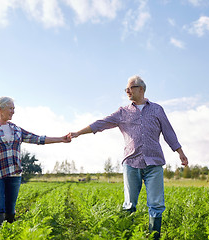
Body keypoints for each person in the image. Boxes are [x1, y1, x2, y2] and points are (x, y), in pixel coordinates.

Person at [69, 76, 188, 239]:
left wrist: (180, 153)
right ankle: (126, 235)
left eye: (130, 88)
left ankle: (154, 236)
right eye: (126, 89)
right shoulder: (122, 112)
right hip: (132, 163)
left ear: (141, 89)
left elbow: (169, 132)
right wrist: (78, 132)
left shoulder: (157, 109)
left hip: (154, 163)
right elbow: (101, 123)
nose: (127, 91)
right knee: (130, 204)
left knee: (156, 203)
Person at [0, 96, 71, 231]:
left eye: (14, 108)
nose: (13, 111)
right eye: (10, 108)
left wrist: (61, 139)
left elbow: (38, 139)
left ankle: (9, 235)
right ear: (0, 109)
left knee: (10, 210)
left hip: (14, 174)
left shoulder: (16, 129)